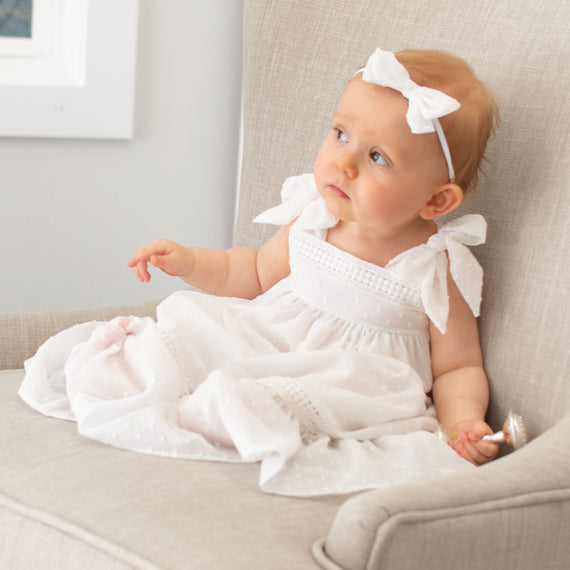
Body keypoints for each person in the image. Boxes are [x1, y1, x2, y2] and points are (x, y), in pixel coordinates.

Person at [20, 48, 499, 496]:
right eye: (340, 134)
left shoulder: (435, 266)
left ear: (437, 200)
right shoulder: (314, 218)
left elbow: (458, 365)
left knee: (278, 394)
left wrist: (461, 423)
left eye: (377, 157)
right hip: (268, 339)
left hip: (349, 378)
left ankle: (241, 410)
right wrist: (188, 260)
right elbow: (252, 273)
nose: (343, 163)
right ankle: (181, 385)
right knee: (183, 338)